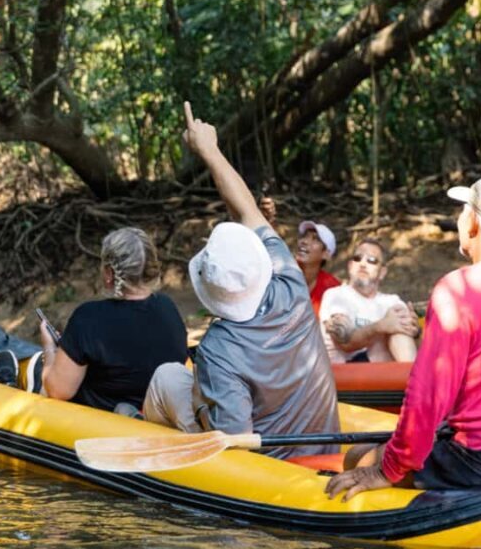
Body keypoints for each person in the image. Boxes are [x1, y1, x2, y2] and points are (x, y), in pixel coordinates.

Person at [326, 174, 481, 500]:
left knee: (357, 456)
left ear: (472, 223)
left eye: (462, 211)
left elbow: (426, 395)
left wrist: (385, 469)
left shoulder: (459, 288)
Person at [142, 102, 340, 459]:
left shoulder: (219, 346)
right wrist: (210, 150)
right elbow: (248, 210)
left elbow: (234, 440)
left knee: (168, 378)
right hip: (324, 446)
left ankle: (145, 443)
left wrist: (201, 403)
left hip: (274, 471)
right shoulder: (289, 284)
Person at [0, 227, 187, 413]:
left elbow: (58, 391)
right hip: (149, 412)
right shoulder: (168, 308)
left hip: (94, 419)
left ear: (110, 273)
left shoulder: (89, 318)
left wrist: (49, 347)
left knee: (40, 370)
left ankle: (6, 385)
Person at [319, 238, 418, 363]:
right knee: (391, 327)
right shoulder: (336, 295)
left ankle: (412, 379)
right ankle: (412, 378)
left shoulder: (392, 301)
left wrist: (415, 329)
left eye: (372, 260)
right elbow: (346, 342)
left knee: (398, 325)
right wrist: (381, 326)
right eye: (357, 258)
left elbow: (409, 333)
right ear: (350, 266)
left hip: (385, 374)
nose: (363, 264)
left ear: (382, 272)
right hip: (345, 373)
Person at [259, 197, 340, 316]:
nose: (304, 242)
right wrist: (266, 220)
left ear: (326, 254)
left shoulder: (333, 289)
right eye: (304, 236)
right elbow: (268, 248)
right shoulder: (283, 270)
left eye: (315, 239)